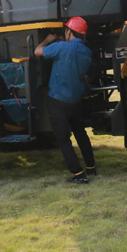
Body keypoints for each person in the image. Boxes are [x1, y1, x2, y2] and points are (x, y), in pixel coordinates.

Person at [34, 17, 95, 184]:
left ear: (68, 31)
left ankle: (78, 174)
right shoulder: (86, 52)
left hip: (58, 100)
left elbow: (37, 52)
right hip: (75, 100)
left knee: (63, 139)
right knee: (80, 134)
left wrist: (48, 40)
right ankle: (91, 167)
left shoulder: (61, 48)